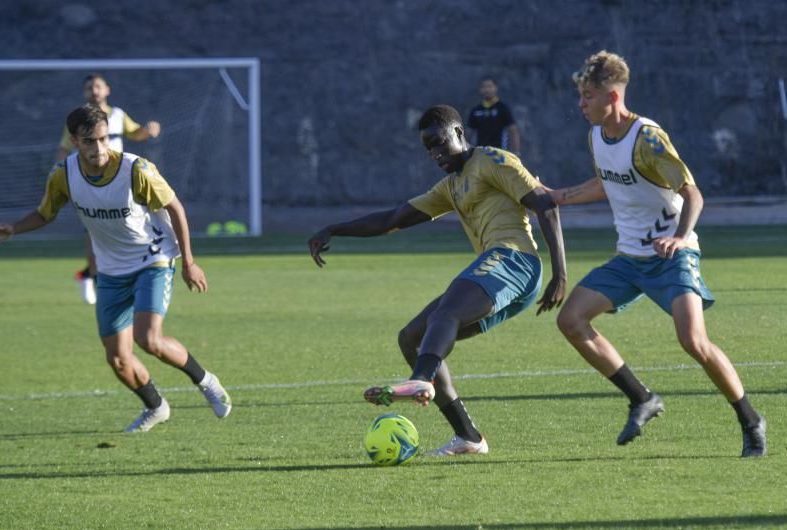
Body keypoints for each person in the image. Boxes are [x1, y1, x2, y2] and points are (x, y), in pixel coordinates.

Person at [308, 104, 567, 456]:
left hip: (515, 260)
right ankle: (469, 437)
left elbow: (545, 205)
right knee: (412, 337)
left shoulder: (492, 160)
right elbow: (393, 219)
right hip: (498, 270)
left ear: (459, 134)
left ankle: (420, 379)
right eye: (429, 148)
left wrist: (560, 274)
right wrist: (335, 229)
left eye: (440, 143)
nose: (435, 153)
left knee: (447, 311)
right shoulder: (451, 186)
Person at [547, 50, 766, 457]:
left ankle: (750, 420)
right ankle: (642, 397)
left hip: (671, 256)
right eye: (580, 96)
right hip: (629, 259)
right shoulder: (596, 135)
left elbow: (692, 193)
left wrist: (681, 238)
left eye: (588, 96)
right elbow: (606, 183)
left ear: (612, 97)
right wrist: (557, 196)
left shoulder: (647, 137)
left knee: (693, 341)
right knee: (571, 320)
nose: (581, 104)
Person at [0, 104, 230, 433]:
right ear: (75, 141)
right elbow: (45, 213)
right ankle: (156, 406)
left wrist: (188, 261)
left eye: (104, 139)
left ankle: (206, 381)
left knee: (149, 339)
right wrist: (13, 229)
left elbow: (175, 207)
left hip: (153, 259)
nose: (99, 148)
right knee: (118, 359)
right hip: (111, 270)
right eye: (90, 141)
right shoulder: (63, 174)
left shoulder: (136, 170)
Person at [55, 73, 162, 306]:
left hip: (120, 184)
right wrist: (60, 175)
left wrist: (148, 129)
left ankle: (95, 276)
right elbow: (63, 148)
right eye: (89, 88)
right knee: (96, 234)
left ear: (107, 90)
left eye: (98, 86)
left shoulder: (119, 116)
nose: (94, 91)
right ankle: (97, 282)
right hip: (90, 183)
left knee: (126, 229)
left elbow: (136, 133)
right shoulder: (78, 120)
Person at [467, 76, 521, 154]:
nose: (487, 90)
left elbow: (513, 130)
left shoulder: (502, 108)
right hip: (481, 153)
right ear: (480, 90)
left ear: (496, 88)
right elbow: (469, 133)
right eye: (484, 87)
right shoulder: (476, 111)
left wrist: (516, 151)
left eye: (490, 86)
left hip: (500, 153)